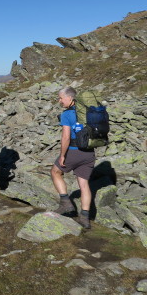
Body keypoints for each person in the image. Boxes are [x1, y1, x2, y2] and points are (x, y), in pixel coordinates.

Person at [51, 86, 95, 229]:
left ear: (70, 98)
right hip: (89, 153)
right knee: (84, 184)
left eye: (61, 98)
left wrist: (63, 156)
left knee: (55, 171)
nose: (59, 101)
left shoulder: (67, 114)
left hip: (74, 151)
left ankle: (65, 203)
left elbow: (66, 137)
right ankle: (84, 218)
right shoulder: (88, 111)